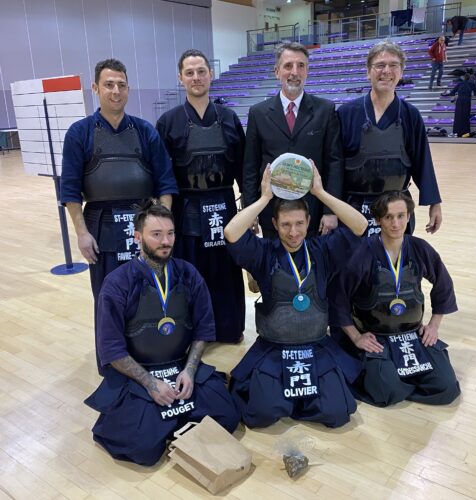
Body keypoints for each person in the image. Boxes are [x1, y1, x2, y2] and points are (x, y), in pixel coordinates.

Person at [84, 200, 240, 466]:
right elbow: (111, 350)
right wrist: (150, 383)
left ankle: (169, 423)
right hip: (138, 374)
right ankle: (168, 423)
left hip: (179, 367)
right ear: (137, 237)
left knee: (228, 416)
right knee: (142, 447)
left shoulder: (188, 274)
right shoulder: (117, 283)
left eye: (170, 233)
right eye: (156, 234)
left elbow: (203, 330)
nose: (165, 241)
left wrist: (190, 370)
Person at [224, 165, 368, 428]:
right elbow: (231, 233)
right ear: (274, 224)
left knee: (337, 414)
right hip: (274, 348)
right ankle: (289, 398)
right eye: (286, 224)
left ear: (309, 222)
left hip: (315, 346)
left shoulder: (322, 250)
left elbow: (360, 225)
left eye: (299, 223)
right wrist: (264, 198)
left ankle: (294, 400)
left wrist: (321, 193)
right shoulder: (264, 253)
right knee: (261, 415)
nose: (293, 232)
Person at [61, 58, 177, 304]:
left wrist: (162, 228)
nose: (116, 91)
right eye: (109, 84)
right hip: (101, 230)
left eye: (121, 85)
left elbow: (165, 182)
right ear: (95, 88)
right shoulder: (79, 133)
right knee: (109, 299)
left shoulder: (145, 131)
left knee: (148, 300)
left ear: (128, 89)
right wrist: (82, 234)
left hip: (143, 228)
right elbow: (70, 191)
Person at [332, 191, 460, 407]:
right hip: (377, 337)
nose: (396, 223)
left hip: (412, 335)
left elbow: (443, 284)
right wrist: (356, 337)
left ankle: (399, 377)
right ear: (377, 220)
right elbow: (338, 297)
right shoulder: (362, 253)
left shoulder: (420, 248)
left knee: (446, 387)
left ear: (409, 216)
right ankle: (393, 377)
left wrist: (433, 326)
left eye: (401, 216)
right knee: (388, 392)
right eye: (388, 217)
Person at [156, 49, 245, 344]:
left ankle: (228, 329)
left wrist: (249, 212)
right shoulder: (168, 122)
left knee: (225, 272)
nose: (196, 77)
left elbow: (243, 169)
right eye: (190, 72)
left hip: (225, 209)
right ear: (180, 78)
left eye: (201, 71)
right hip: (186, 212)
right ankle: (194, 335)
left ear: (211, 74)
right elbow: (162, 175)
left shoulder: (229, 118)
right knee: (190, 275)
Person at [337, 40, 442, 238]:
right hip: (353, 209)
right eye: (380, 65)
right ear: (368, 72)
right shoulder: (346, 113)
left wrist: (434, 203)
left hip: (396, 209)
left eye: (394, 65)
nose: (386, 71)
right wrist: (330, 211)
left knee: (395, 257)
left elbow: (423, 162)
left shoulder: (411, 115)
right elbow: (334, 166)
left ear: (401, 72)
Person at [242, 42, 343, 239]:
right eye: (288, 66)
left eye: (301, 66)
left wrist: (330, 210)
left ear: (307, 71)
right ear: (277, 71)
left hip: (312, 214)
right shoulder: (258, 113)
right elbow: (250, 167)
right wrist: (251, 210)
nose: (294, 72)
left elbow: (334, 163)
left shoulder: (325, 110)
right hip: (271, 212)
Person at [449, 73, 476, 137]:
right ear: (469, 78)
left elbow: (452, 92)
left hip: (459, 102)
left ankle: (457, 132)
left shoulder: (460, 83)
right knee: (466, 117)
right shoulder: (471, 84)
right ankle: (466, 132)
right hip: (467, 101)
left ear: (464, 78)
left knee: (458, 117)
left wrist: (455, 96)